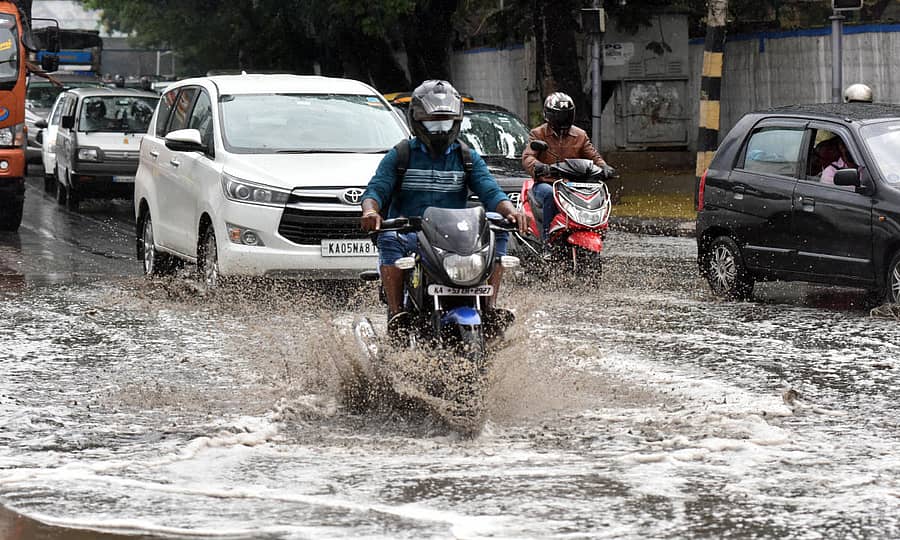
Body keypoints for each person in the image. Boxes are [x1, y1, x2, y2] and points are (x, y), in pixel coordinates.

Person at [360, 80, 527, 336]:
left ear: (456, 122)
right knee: (388, 236)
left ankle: (490, 306)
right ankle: (397, 313)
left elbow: (490, 191)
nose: (439, 130)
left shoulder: (467, 157)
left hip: (455, 240)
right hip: (410, 236)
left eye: (446, 123)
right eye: (432, 123)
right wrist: (371, 212)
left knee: (497, 226)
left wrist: (511, 212)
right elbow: (376, 190)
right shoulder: (401, 155)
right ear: (417, 121)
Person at [521, 92, 612, 247]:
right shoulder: (538, 134)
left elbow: (593, 156)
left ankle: (597, 230)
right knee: (549, 195)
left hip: (572, 186)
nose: (562, 119)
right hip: (547, 183)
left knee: (597, 193)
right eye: (559, 115)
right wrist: (539, 167)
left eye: (566, 115)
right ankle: (547, 242)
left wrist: (604, 167)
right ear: (549, 115)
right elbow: (528, 157)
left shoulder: (580, 135)